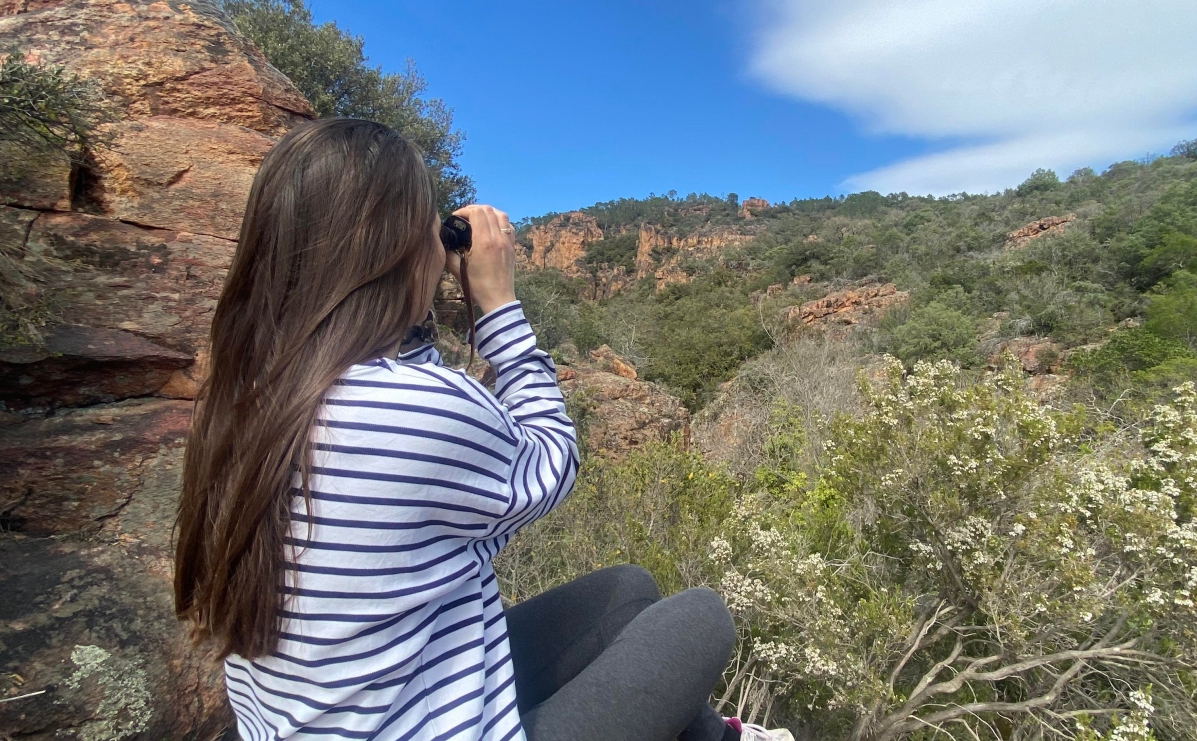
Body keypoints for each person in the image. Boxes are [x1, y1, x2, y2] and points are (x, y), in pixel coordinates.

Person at [172, 118, 790, 741]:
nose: (439, 252)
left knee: (628, 591)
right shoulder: (410, 411)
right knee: (702, 619)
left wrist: (411, 306)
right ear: (394, 253)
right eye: (428, 233)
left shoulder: (246, 398)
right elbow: (554, 459)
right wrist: (498, 306)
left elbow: (399, 382)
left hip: (349, 712)